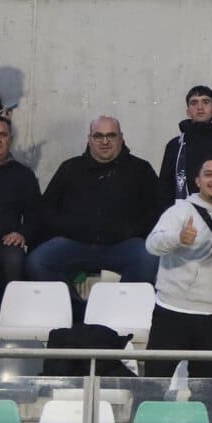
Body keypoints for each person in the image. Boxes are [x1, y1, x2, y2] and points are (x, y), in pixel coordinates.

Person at [27, 117, 160, 318]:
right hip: (75, 243)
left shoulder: (141, 169)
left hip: (123, 245)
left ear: (121, 138)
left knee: (149, 259)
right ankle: (76, 311)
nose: (104, 141)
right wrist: (68, 228)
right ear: (89, 139)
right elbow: (46, 208)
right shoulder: (70, 168)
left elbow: (157, 209)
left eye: (110, 135)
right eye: (98, 136)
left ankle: (117, 312)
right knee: (37, 262)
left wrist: (131, 231)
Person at [143, 158, 212, 423]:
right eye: (209, 175)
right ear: (197, 180)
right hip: (172, 311)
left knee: (206, 393)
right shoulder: (181, 210)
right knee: (152, 389)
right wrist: (178, 238)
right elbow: (152, 244)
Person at [0, 115, 40, 323]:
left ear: (10, 140)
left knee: (14, 258)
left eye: (2, 135)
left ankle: (3, 324)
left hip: (3, 243)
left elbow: (36, 215)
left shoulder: (23, 175)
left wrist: (22, 233)